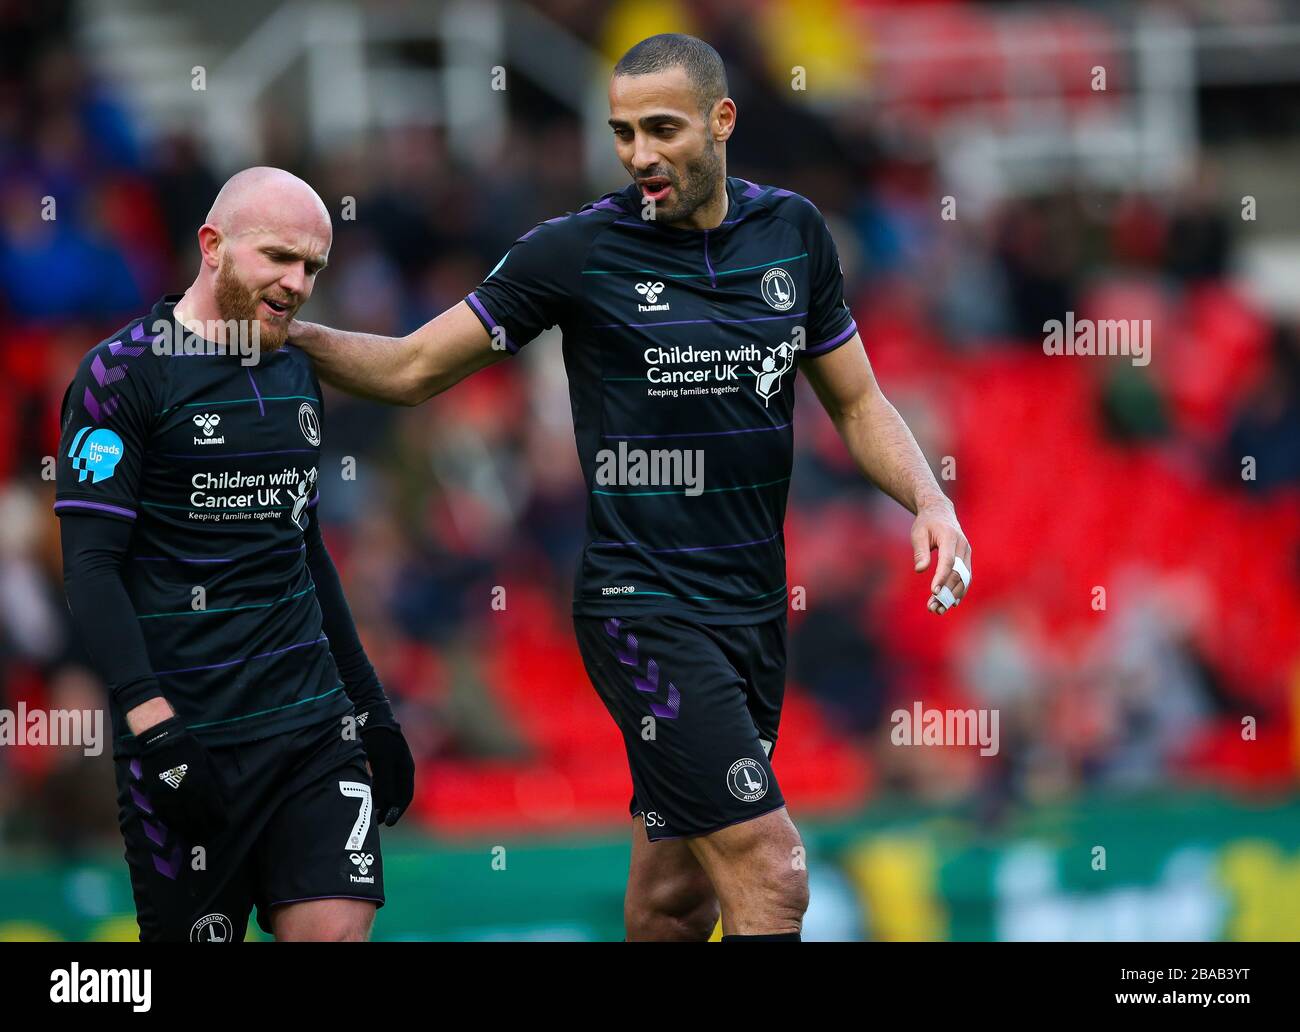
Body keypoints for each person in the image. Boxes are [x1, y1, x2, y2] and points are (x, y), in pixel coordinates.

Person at [290, 34, 972, 941]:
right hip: (642, 607)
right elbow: (413, 366)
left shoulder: (793, 234)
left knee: (672, 899)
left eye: (662, 128)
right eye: (622, 133)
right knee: (774, 874)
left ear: (722, 121)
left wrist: (930, 501)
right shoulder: (576, 253)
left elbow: (856, 400)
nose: (640, 154)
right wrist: (278, 336)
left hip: (753, 616)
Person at [55, 167, 415, 942]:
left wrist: (371, 708)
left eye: (313, 266)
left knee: (338, 931)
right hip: (190, 739)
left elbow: (306, 552)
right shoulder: (120, 376)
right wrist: (154, 726)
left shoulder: (296, 371)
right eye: (279, 257)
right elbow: (89, 568)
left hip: (313, 730)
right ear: (212, 246)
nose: (298, 282)